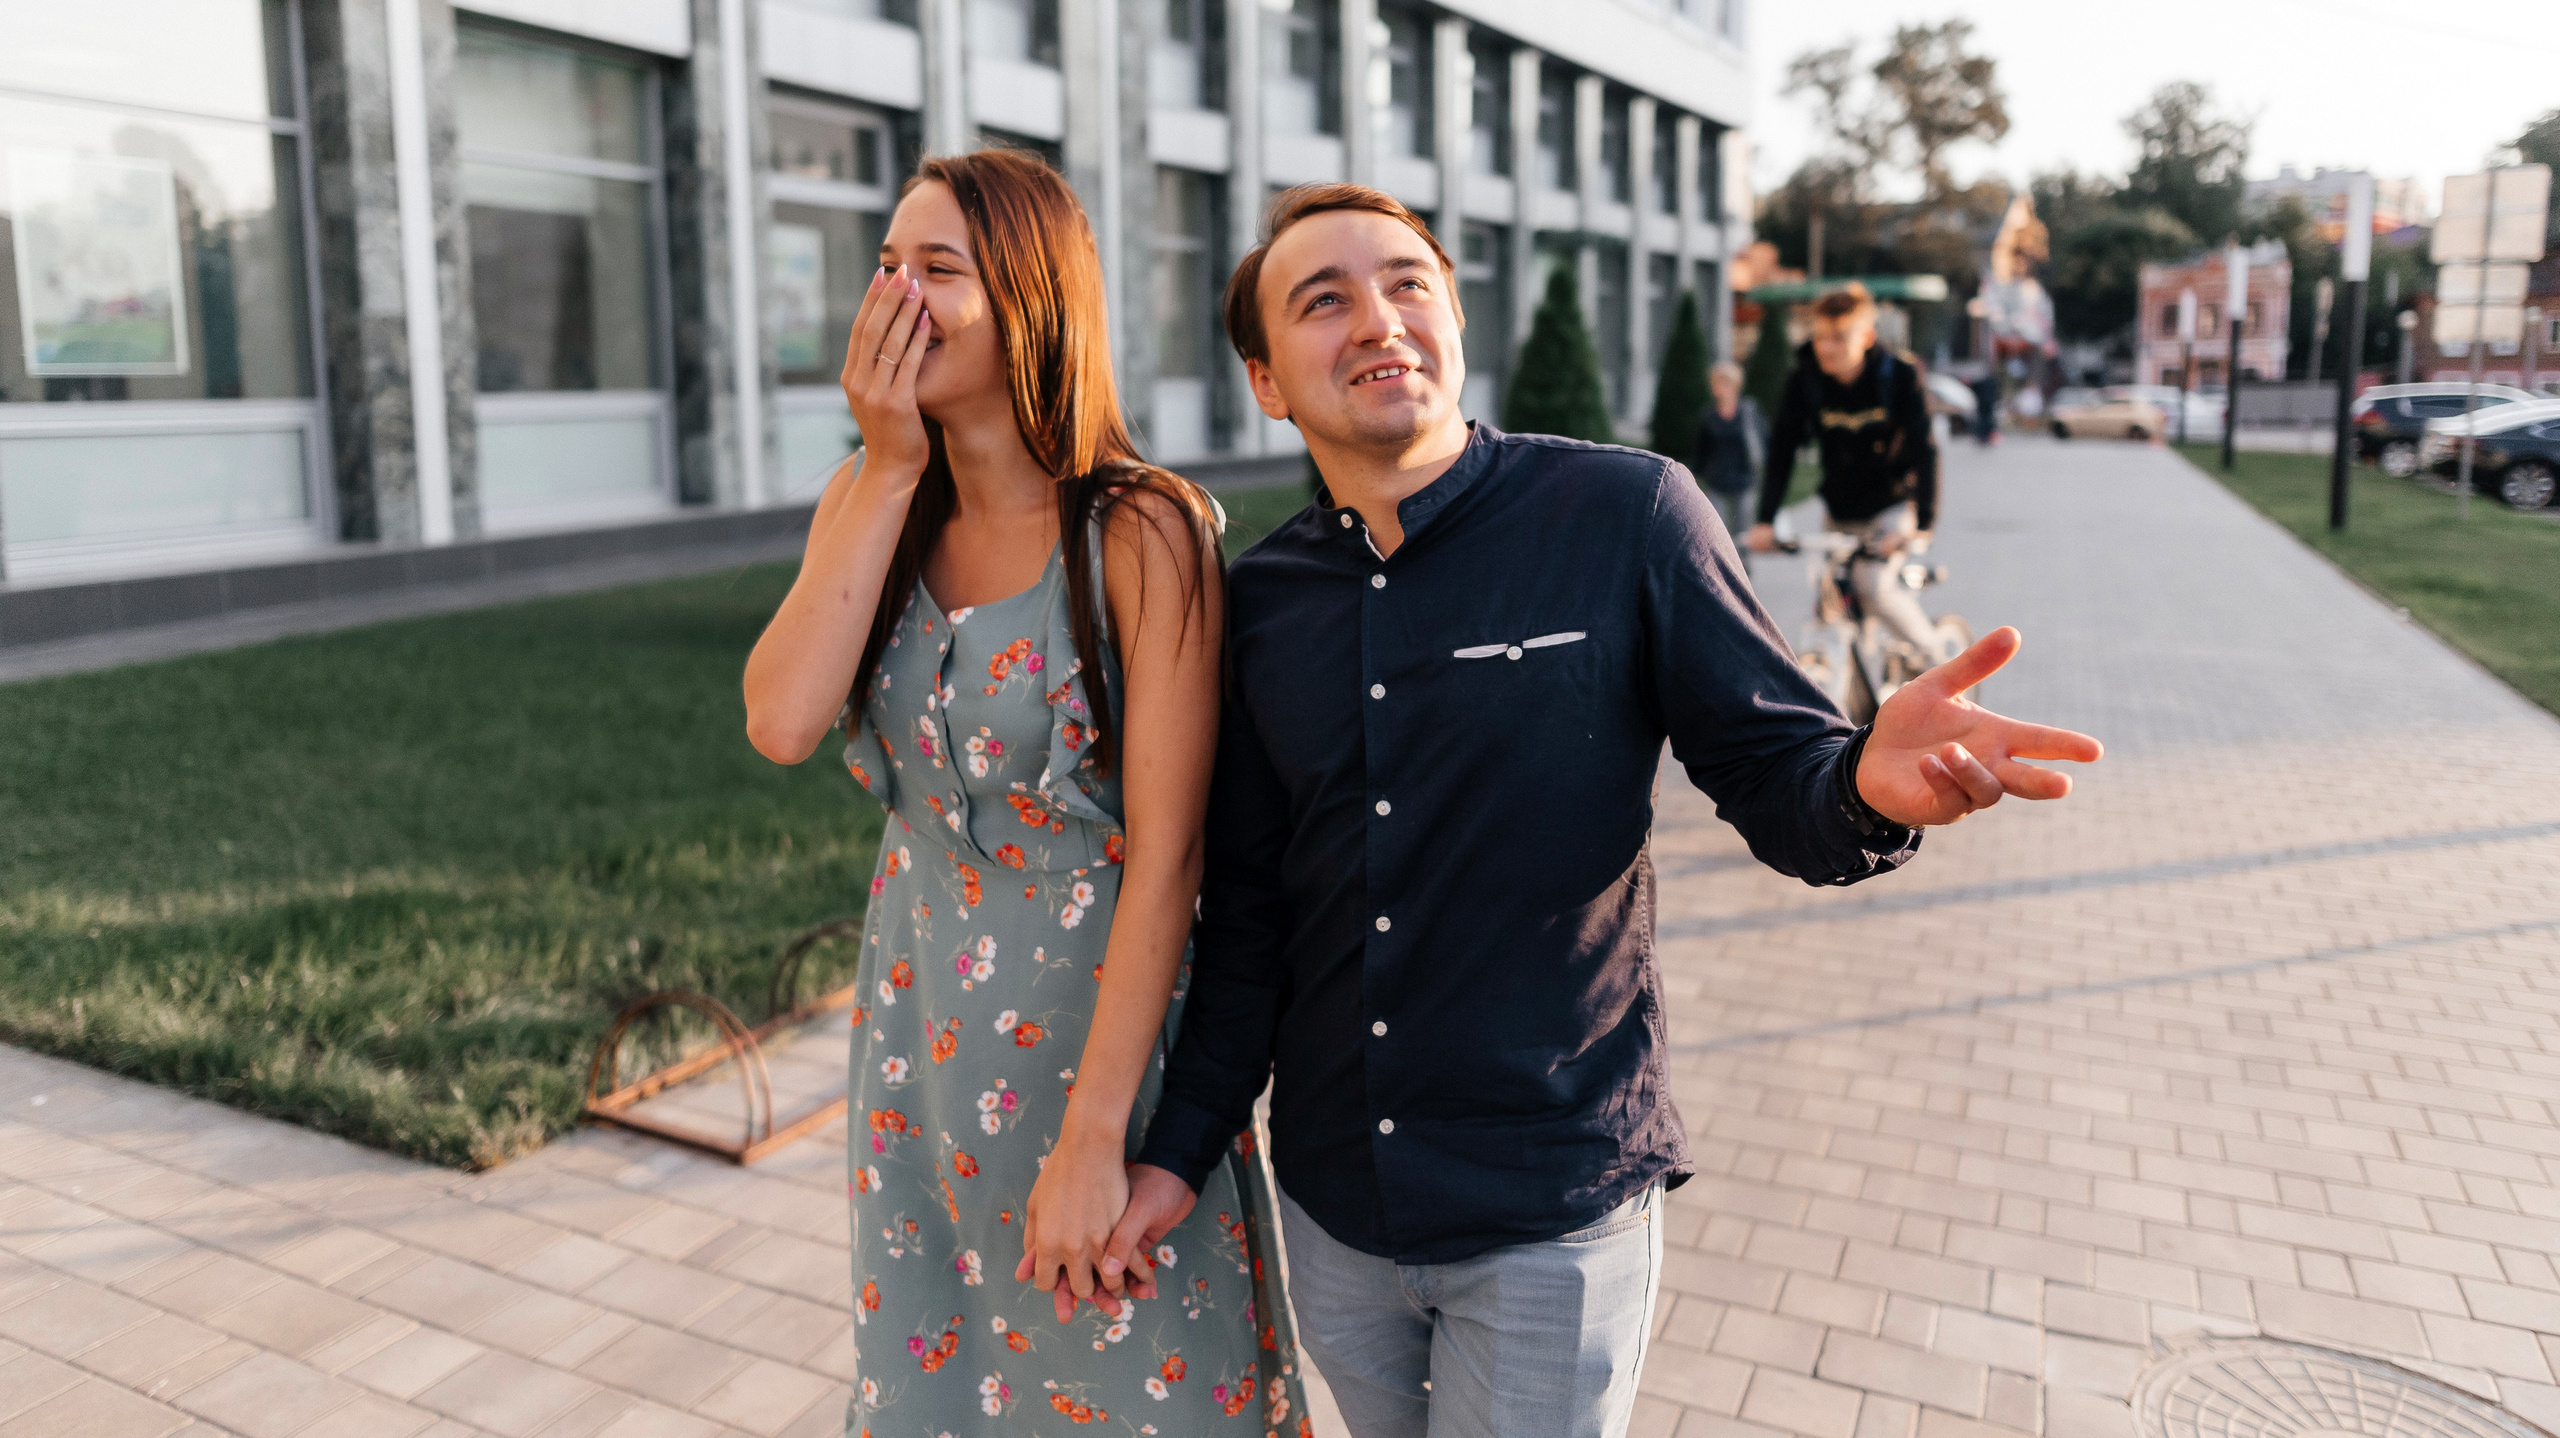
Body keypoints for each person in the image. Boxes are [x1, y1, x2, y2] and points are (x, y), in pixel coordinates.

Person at [1095, 184, 2104, 1438]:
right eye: (1323, 299)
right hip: (1337, 1216)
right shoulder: (1258, 606)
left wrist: (1857, 783)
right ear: (1264, 378)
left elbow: (1776, 774)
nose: (1378, 319)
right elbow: (1249, 921)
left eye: (1408, 283)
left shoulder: (1625, 516)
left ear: (1455, 320)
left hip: (1547, 1214)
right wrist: (1174, 1150)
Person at [740, 149, 1300, 1438]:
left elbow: (1169, 858)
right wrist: (882, 470)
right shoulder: (872, 496)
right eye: (888, 264)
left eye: (941, 269)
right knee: (949, 1390)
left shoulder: (1143, 530)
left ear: (1034, 302)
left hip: (1092, 1046)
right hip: (916, 1029)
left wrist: (1099, 1137)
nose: (898, 296)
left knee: (1132, 1384)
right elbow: (779, 722)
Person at [1744, 284, 1952, 665]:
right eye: (1821, 336)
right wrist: (1766, 521)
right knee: (1829, 604)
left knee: (1872, 588)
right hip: (1839, 511)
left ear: (1867, 336)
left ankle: (1941, 663)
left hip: (1890, 506)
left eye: (1840, 337)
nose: (1827, 348)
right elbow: (1781, 453)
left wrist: (1922, 524)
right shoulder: (1806, 381)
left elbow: (1926, 451)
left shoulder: (1899, 376)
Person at [1692, 358, 1766, 539]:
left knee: (1743, 533)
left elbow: (1764, 439)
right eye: (1717, 383)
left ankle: (1743, 566)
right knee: (1716, 530)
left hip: (1744, 478)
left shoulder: (1748, 412)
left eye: (1725, 382)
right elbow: (1700, 450)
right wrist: (1694, 477)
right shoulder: (1708, 416)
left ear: (1735, 385)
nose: (1720, 387)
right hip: (1716, 479)